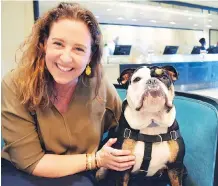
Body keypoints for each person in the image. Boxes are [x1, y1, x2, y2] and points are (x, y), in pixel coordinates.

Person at [1, 2, 135, 186]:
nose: (66, 58)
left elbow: (125, 123)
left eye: (79, 49)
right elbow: (30, 161)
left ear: (90, 56)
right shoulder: (15, 84)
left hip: (79, 172)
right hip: (21, 172)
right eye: (58, 44)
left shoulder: (100, 86)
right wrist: (95, 160)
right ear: (43, 44)